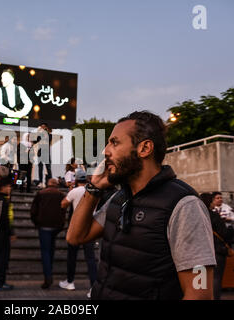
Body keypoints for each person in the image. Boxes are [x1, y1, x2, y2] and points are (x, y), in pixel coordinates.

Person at [66, 111, 216, 300]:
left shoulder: (184, 205)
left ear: (144, 148)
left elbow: (200, 293)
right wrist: (94, 188)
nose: (105, 151)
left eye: (115, 142)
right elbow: (75, 237)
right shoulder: (119, 199)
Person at [60, 169, 97, 298]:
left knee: (72, 256)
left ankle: (70, 282)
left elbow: (63, 204)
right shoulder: (92, 191)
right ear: (86, 179)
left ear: (76, 180)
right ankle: (93, 287)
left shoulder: (74, 191)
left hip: (76, 227)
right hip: (90, 227)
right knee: (90, 258)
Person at [30, 178, 66, 289]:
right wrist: (61, 224)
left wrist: (36, 222)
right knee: (51, 249)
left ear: (47, 184)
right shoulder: (61, 194)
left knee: (45, 251)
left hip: (44, 226)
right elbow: (63, 210)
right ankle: (49, 270)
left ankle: (48, 276)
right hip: (56, 226)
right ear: (56, 185)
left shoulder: (40, 193)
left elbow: (33, 210)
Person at [200, 192, 234, 300]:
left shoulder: (196, 215)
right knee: (216, 277)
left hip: (200, 250)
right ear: (209, 202)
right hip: (216, 249)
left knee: (202, 279)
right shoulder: (214, 215)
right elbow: (223, 233)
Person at [34, 123, 53, 188]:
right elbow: (35, 141)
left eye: (43, 127)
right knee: (40, 168)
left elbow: (49, 139)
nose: (42, 128)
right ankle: (40, 182)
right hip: (40, 153)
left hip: (46, 153)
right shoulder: (39, 134)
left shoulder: (49, 135)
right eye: (41, 126)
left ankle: (50, 181)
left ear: (46, 127)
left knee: (48, 168)